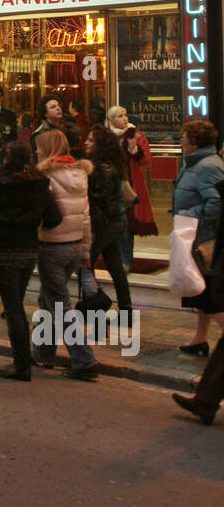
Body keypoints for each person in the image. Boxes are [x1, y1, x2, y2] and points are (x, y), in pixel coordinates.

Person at [0, 142, 62, 380]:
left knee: (13, 307)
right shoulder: (38, 184)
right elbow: (54, 216)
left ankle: (21, 364)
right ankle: (22, 359)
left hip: (8, 249)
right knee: (17, 301)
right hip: (30, 248)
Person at [34, 129, 99, 380]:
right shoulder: (80, 174)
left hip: (51, 245)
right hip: (73, 245)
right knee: (47, 299)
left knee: (60, 305)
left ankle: (84, 359)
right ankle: (43, 353)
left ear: (47, 149)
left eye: (39, 148)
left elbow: (42, 214)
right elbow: (85, 216)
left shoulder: (44, 176)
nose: (36, 151)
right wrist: (84, 250)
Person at [172, 118, 224, 358]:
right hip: (193, 236)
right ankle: (200, 339)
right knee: (203, 292)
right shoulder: (196, 163)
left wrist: (188, 216)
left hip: (202, 238)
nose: (180, 142)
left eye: (183, 138)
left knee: (210, 296)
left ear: (194, 142)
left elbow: (216, 202)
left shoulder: (207, 166)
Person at [84, 126, 133, 318]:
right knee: (114, 264)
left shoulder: (104, 169)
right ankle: (126, 308)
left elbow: (102, 198)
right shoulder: (109, 166)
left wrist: (85, 192)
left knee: (87, 260)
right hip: (113, 221)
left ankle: (95, 301)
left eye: (90, 140)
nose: (86, 143)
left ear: (100, 145)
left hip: (108, 222)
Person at [107, 105, 157, 269]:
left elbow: (146, 161)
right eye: (120, 116)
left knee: (127, 223)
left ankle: (125, 261)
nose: (125, 118)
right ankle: (113, 259)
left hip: (129, 185)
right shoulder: (106, 137)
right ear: (111, 120)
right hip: (109, 185)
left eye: (125, 114)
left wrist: (134, 150)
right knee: (111, 224)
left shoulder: (136, 135)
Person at [31, 93, 63, 158]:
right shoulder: (40, 133)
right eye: (53, 107)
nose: (58, 109)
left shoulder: (64, 128)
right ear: (46, 114)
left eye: (58, 106)